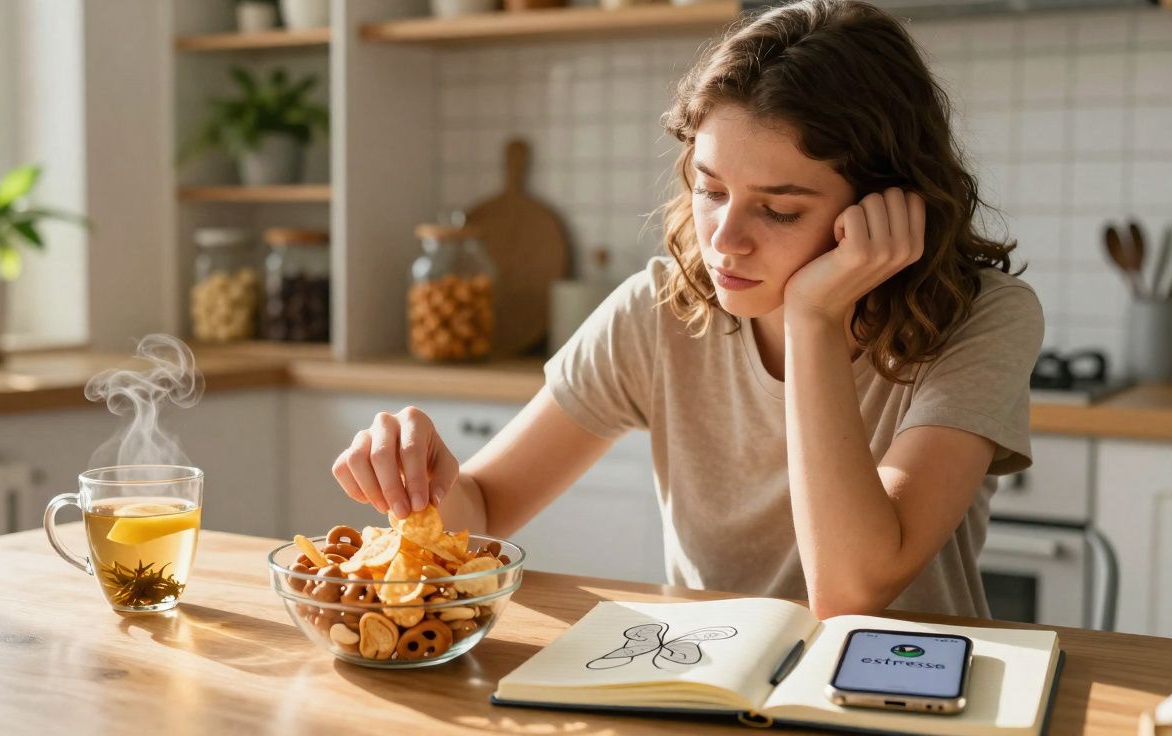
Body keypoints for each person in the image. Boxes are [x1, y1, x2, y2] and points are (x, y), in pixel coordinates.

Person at [331, 0, 1043, 620]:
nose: (725, 240)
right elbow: (480, 517)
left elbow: (852, 591)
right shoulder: (659, 309)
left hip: (907, 694)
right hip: (706, 689)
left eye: (778, 209)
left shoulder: (984, 319)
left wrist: (813, 320)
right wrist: (425, 478)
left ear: (884, 207)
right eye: (710, 190)